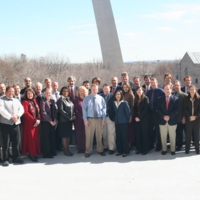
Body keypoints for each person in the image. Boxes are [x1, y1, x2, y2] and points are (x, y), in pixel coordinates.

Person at [0, 86, 24, 166]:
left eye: (12, 91)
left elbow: (21, 109)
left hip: (16, 124)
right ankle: (5, 159)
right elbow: (2, 110)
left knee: (16, 141)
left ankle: (16, 157)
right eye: (10, 91)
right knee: (5, 142)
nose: (11, 93)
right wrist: (11, 116)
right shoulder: (1, 100)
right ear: (6, 92)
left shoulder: (16, 100)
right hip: (5, 124)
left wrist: (17, 115)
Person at [82, 84, 106, 158]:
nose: (95, 90)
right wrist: (85, 120)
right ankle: (88, 151)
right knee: (89, 136)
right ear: (90, 90)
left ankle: (100, 150)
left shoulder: (101, 98)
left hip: (99, 119)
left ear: (98, 90)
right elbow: (84, 110)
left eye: (96, 89)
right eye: (93, 89)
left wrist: (103, 119)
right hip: (90, 119)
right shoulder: (86, 99)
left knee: (99, 135)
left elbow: (104, 109)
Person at [157, 84, 179, 155]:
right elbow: (158, 109)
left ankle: (173, 150)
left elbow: (176, 110)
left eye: (168, 89)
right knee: (163, 136)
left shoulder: (175, 99)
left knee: (172, 136)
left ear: (171, 90)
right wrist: (164, 116)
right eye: (165, 89)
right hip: (162, 120)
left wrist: (169, 116)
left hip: (172, 120)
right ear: (163, 90)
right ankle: (164, 149)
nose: (167, 90)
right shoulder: (160, 99)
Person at [21, 88, 41, 162]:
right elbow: (26, 113)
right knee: (31, 139)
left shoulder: (36, 101)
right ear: (26, 94)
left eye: (31, 93)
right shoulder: (25, 102)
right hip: (29, 124)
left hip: (36, 123)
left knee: (35, 139)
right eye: (28, 93)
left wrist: (38, 119)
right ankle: (31, 154)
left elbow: (39, 111)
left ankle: (35, 153)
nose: (30, 95)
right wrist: (34, 120)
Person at [146, 78, 164, 151]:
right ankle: (151, 144)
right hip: (150, 113)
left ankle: (159, 145)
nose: (153, 84)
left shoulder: (161, 91)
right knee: (150, 129)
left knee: (158, 130)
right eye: (152, 83)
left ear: (157, 83)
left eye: (154, 82)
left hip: (158, 113)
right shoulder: (149, 92)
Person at [57, 87, 76, 156]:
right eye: (64, 91)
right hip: (63, 121)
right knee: (64, 136)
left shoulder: (69, 100)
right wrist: (69, 117)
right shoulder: (61, 100)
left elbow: (72, 109)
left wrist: (73, 115)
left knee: (68, 135)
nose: (65, 92)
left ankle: (67, 149)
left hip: (69, 121)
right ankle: (65, 150)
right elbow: (61, 111)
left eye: (67, 91)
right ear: (61, 92)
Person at [40, 89, 57, 158]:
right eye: (47, 93)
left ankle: (52, 151)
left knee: (52, 137)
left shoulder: (52, 101)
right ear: (44, 94)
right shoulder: (42, 101)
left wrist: (55, 120)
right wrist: (50, 121)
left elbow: (55, 111)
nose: (48, 94)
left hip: (53, 121)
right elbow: (43, 113)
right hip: (46, 122)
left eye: (49, 93)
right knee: (46, 138)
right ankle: (47, 153)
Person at [113, 90, 130, 157]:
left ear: (121, 95)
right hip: (117, 122)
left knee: (124, 137)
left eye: (119, 94)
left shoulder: (124, 103)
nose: (118, 95)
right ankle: (119, 150)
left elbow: (128, 113)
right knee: (118, 137)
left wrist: (126, 120)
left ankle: (126, 151)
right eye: (117, 94)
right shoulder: (114, 103)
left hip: (124, 122)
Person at [184, 85, 200, 154]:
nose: (192, 91)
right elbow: (185, 108)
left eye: (193, 89)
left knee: (197, 135)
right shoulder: (186, 98)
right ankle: (187, 149)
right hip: (189, 119)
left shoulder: (199, 98)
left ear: (195, 90)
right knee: (188, 135)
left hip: (197, 119)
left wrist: (195, 116)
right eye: (190, 89)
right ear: (189, 90)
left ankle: (197, 150)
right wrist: (189, 116)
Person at [134, 87, 149, 155]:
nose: (139, 91)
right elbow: (134, 109)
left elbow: (145, 109)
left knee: (144, 134)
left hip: (144, 119)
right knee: (138, 134)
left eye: (140, 90)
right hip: (137, 120)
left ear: (143, 91)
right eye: (138, 90)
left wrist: (140, 117)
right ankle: (139, 149)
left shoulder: (146, 98)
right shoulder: (136, 99)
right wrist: (136, 117)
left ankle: (145, 149)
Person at [100, 84, 116, 154]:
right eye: (105, 89)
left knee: (111, 133)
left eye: (107, 89)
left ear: (110, 89)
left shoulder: (113, 96)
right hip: (102, 117)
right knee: (104, 133)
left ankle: (112, 148)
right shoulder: (99, 97)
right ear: (102, 89)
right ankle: (106, 146)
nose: (106, 90)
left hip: (110, 117)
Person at [172, 80, 187, 151]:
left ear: (180, 86)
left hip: (180, 117)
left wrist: (184, 117)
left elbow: (185, 108)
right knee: (173, 132)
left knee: (179, 132)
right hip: (173, 117)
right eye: (175, 85)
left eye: (177, 85)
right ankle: (174, 144)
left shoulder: (184, 95)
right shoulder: (172, 94)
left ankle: (179, 145)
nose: (176, 87)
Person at [74, 86, 88, 153]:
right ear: (78, 92)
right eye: (80, 91)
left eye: (83, 91)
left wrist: (86, 117)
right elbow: (76, 110)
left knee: (85, 134)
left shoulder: (87, 99)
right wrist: (82, 117)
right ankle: (80, 148)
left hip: (87, 120)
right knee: (79, 133)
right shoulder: (76, 100)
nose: (82, 92)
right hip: (78, 120)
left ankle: (85, 147)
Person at [122, 83, 134, 148]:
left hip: (128, 115)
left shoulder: (130, 95)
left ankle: (129, 144)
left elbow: (132, 106)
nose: (125, 88)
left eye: (126, 87)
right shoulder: (122, 94)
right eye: (124, 87)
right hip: (122, 115)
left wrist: (131, 116)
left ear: (129, 88)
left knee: (129, 130)